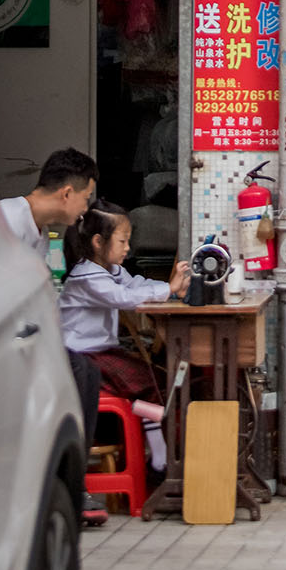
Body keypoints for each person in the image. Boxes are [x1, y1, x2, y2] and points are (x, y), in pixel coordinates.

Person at [0, 147, 107, 527]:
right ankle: (65, 484)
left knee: (85, 372)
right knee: (78, 371)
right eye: (84, 198)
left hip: (17, 342)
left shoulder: (42, 234)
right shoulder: (2, 222)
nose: (84, 209)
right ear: (66, 194)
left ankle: (67, 481)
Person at [60, 199, 190, 469]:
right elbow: (124, 297)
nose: (128, 249)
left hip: (102, 353)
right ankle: (159, 459)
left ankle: (157, 455)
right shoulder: (86, 277)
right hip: (82, 358)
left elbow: (136, 284)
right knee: (149, 381)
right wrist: (168, 290)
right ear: (98, 242)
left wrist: (171, 287)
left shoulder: (110, 271)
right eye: (123, 241)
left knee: (156, 380)